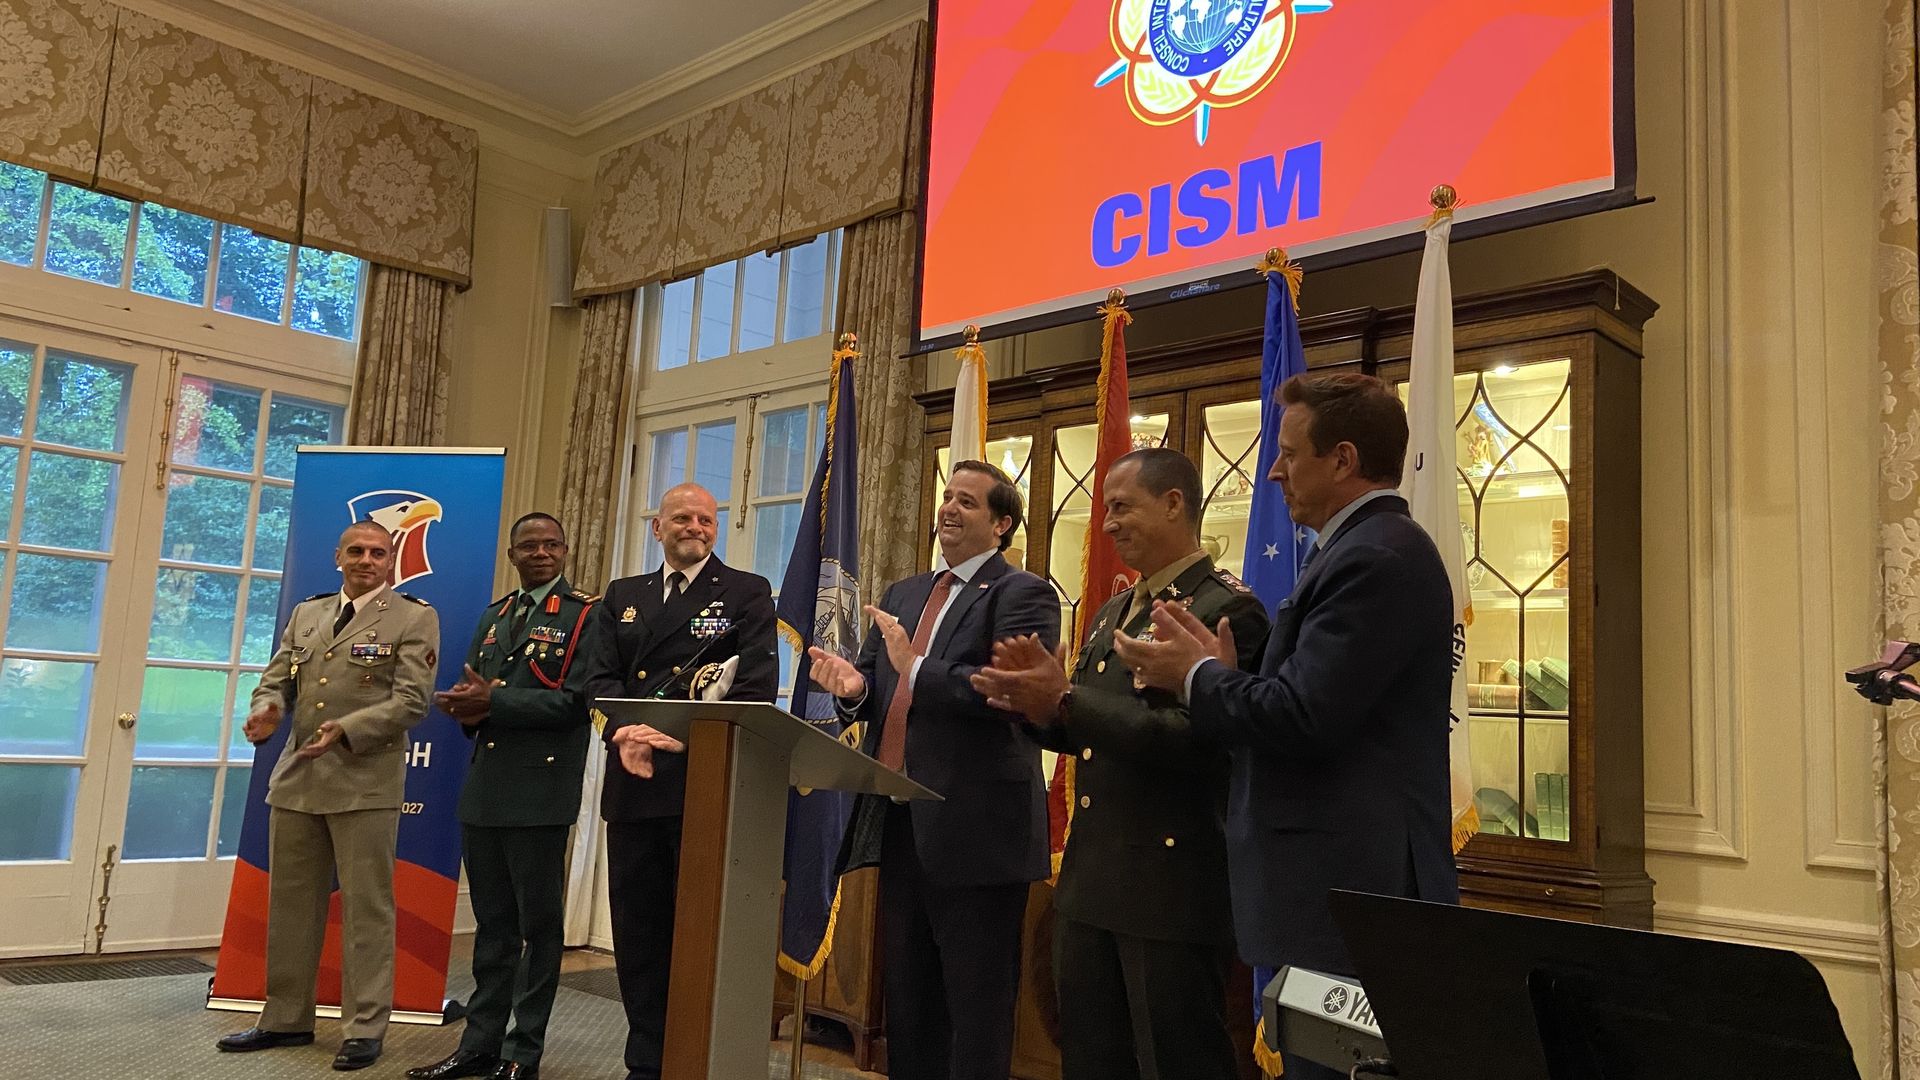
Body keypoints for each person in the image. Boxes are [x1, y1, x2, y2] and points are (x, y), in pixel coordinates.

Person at [1112, 372, 1460, 1080]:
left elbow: (1303, 716)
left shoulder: (1375, 556)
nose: (1273, 471)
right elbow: (1300, 701)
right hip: (1329, 890)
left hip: (1352, 897)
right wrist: (1220, 673)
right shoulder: (1353, 549)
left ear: (1343, 460)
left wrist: (1196, 677)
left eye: (1291, 453)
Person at [970, 447, 1268, 1080]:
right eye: (1105, 509)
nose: (1107, 525)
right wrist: (1037, 707)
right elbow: (1090, 732)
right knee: (1091, 1060)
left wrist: (1067, 701)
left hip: (1171, 890)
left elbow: (1197, 741)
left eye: (1122, 507)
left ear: (1174, 503)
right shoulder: (1115, 609)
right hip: (1092, 883)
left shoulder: (1227, 610)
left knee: (1179, 1063)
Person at [807, 460, 1059, 1080]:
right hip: (900, 821)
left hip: (978, 831)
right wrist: (852, 690)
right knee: (911, 1000)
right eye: (948, 496)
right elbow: (877, 687)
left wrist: (915, 667)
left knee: (976, 1007)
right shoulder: (905, 593)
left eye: (968, 502)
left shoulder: (1022, 593)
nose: (949, 508)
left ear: (1001, 524)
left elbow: (1008, 694)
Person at [217, 520, 441, 1072]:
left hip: (365, 781)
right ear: (337, 556)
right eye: (356, 551)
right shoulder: (308, 613)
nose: (367, 560)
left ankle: (364, 1028)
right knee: (291, 905)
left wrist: (346, 729)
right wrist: (267, 709)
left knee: (367, 909)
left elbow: (413, 700)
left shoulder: (413, 617)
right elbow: (277, 679)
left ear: (391, 561)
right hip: (299, 778)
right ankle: (285, 1018)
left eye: (378, 553)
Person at [575, 482, 778, 1080]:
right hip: (633, 782)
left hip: (703, 785)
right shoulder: (624, 595)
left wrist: (682, 738)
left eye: (706, 519)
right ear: (657, 528)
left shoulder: (746, 591)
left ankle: (695, 1062)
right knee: (639, 937)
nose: (696, 527)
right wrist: (625, 732)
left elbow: (755, 688)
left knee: (697, 937)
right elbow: (598, 679)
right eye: (683, 518)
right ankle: (645, 1063)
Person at [408, 513, 598, 1080]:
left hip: (541, 791)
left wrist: (495, 702)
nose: (541, 553)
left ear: (564, 551)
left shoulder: (585, 615)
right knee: (492, 929)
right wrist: (466, 708)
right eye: (529, 546)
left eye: (551, 544)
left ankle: (523, 1053)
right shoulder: (496, 616)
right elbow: (476, 691)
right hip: (486, 788)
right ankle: (479, 1044)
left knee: (538, 930)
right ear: (512, 555)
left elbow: (577, 703)